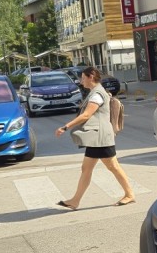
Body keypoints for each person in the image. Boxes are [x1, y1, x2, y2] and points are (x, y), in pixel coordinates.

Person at [54, 67, 135, 210]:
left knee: (113, 166)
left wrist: (65, 127)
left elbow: (86, 115)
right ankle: (75, 201)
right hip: (96, 137)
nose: (81, 81)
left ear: (91, 77)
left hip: (101, 137)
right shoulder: (96, 92)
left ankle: (129, 194)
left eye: (83, 78)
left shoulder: (97, 94)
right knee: (86, 168)